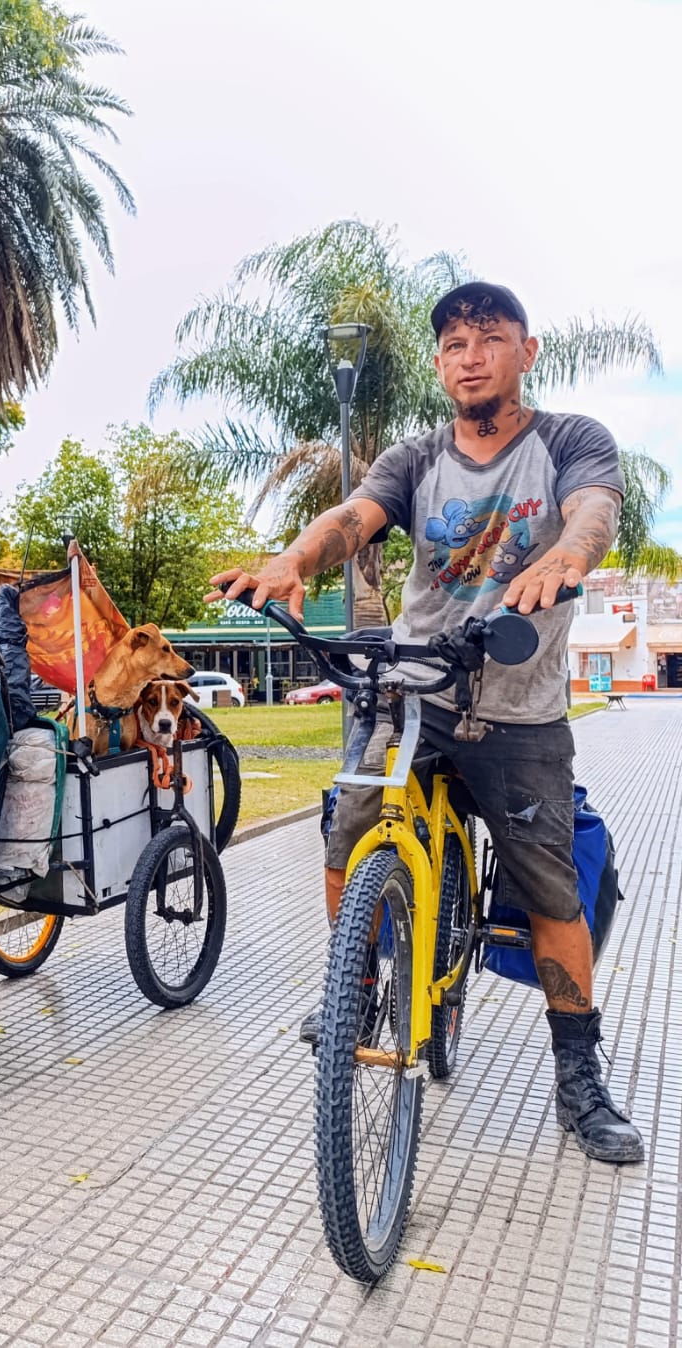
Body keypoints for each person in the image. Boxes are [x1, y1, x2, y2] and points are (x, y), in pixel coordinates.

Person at [208, 282, 643, 1165]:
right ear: (441, 364)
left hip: (520, 712)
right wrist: (295, 557)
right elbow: (352, 515)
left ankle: (578, 1073)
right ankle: (355, 984)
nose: (471, 354)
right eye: (453, 343)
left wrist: (567, 553)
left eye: (490, 337)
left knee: (549, 889)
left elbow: (595, 507)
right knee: (348, 836)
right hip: (414, 695)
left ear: (526, 349)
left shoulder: (568, 439)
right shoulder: (416, 457)